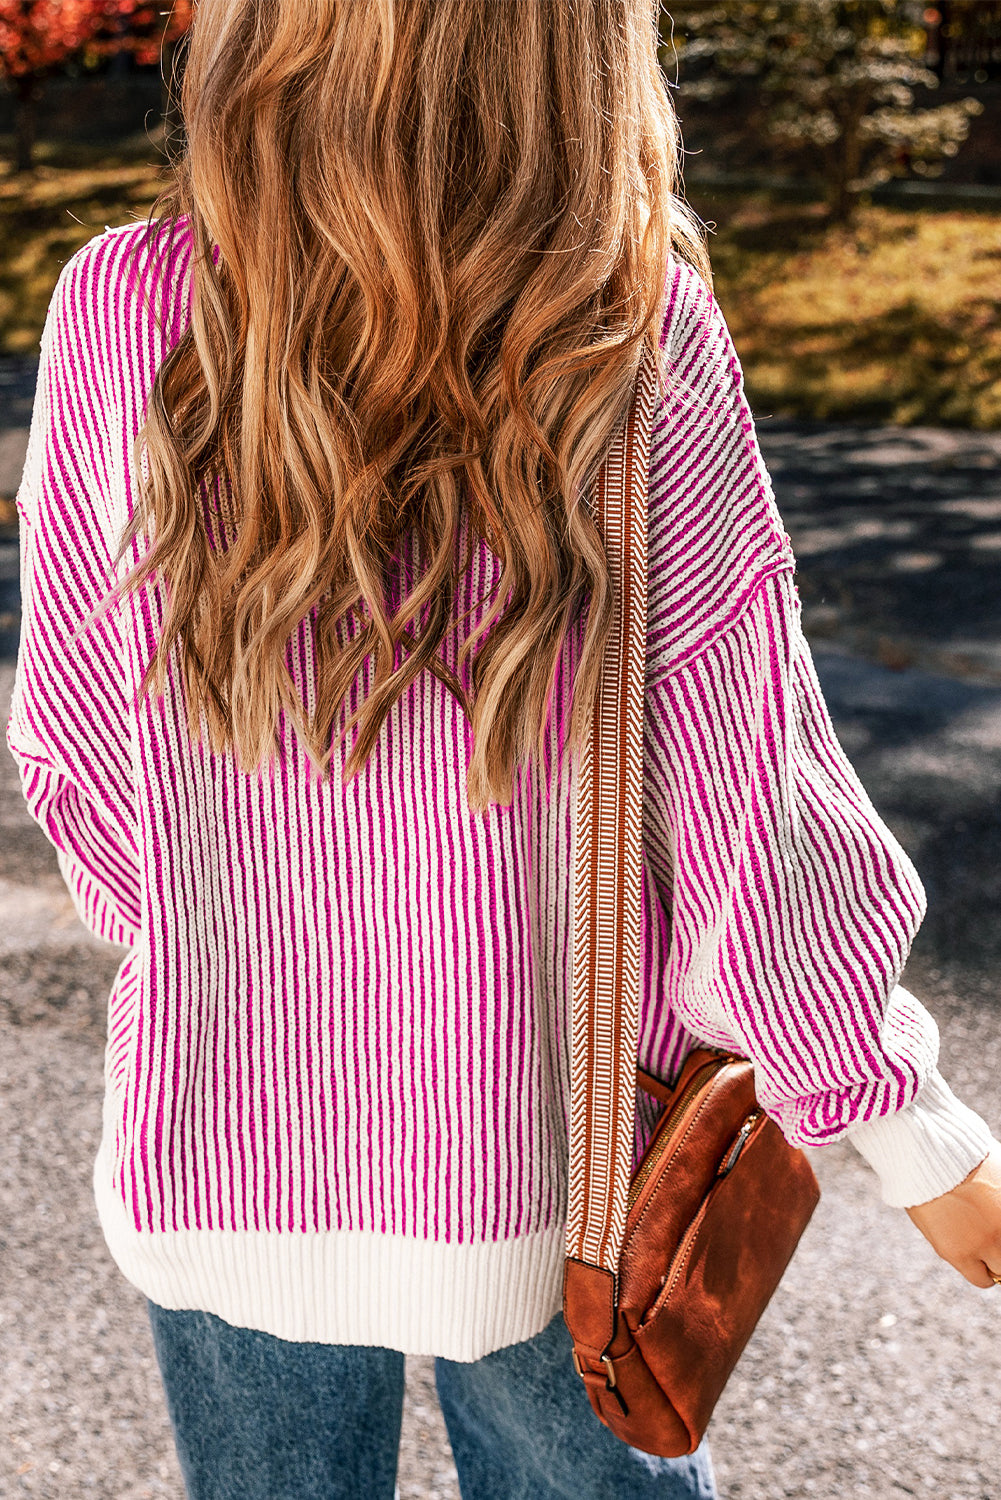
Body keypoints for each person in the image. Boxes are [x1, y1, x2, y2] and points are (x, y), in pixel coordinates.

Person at [7, 3, 1001, 1497]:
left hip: (215, 1144)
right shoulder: (629, 332)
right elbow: (753, 797)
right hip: (552, 1161)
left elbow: (77, 749)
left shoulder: (118, 308)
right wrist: (901, 1124)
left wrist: (242, 954)